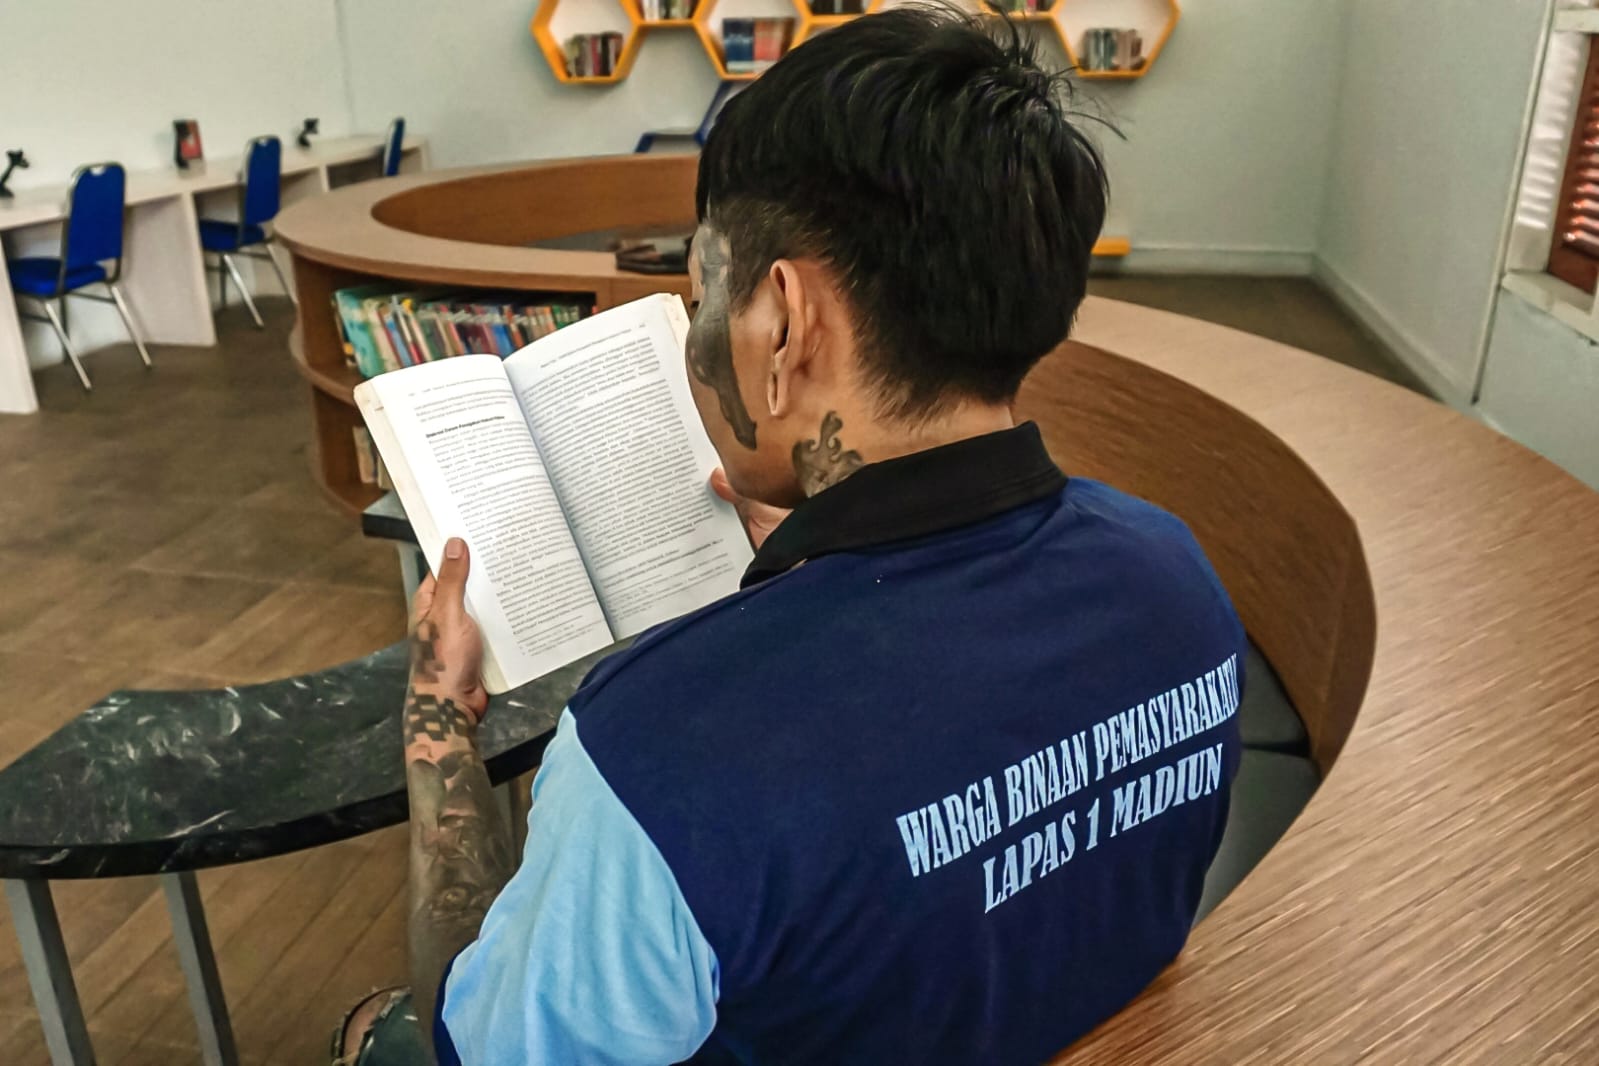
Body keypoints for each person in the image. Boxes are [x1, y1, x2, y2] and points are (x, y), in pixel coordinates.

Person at [335, 7, 1245, 1064]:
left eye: (699, 297)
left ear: (783, 322)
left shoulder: (658, 751)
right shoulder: (1174, 574)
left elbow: (489, 1051)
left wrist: (439, 724)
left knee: (372, 1030)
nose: (697, 337)